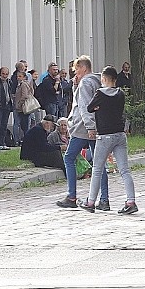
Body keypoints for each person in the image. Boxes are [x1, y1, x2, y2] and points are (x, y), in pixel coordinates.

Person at [79, 66, 138, 215]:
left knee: (97, 169)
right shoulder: (120, 93)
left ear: (103, 79)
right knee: (124, 170)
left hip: (105, 135)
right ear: (116, 79)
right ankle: (131, 201)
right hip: (119, 134)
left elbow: (90, 107)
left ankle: (90, 201)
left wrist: (99, 107)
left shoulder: (99, 93)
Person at [57, 55, 109, 209]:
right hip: (95, 126)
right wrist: (75, 87)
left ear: (84, 68)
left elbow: (85, 106)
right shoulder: (98, 81)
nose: (75, 74)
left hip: (82, 128)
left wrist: (89, 126)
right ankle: (104, 199)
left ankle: (72, 196)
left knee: (69, 158)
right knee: (99, 163)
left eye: (77, 70)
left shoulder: (86, 82)